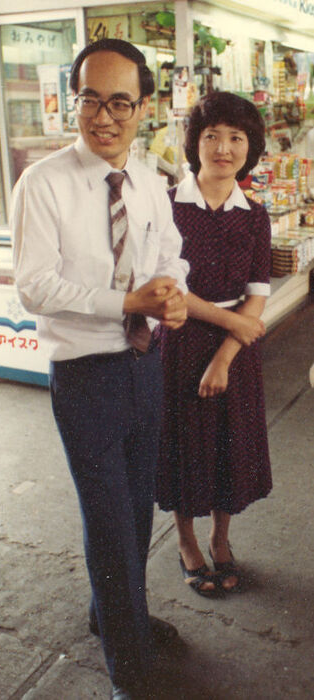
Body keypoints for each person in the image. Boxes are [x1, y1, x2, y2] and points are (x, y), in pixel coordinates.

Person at [11, 39, 189, 700]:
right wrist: (123, 302)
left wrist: (166, 296)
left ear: (143, 107)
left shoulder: (146, 179)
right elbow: (33, 286)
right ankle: (130, 674)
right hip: (85, 380)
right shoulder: (44, 182)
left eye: (119, 101)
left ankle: (116, 615)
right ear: (74, 99)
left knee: (137, 511)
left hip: (145, 367)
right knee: (110, 525)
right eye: (90, 99)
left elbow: (162, 253)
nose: (103, 116)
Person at [156, 91, 272, 596]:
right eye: (211, 136)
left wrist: (227, 353)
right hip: (179, 340)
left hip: (233, 353)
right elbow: (166, 287)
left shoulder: (254, 214)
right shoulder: (168, 207)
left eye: (235, 137)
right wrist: (234, 327)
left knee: (229, 450)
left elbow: (258, 294)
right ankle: (187, 544)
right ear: (195, 143)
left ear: (250, 147)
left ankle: (221, 540)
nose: (223, 148)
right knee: (184, 449)